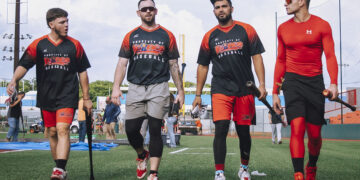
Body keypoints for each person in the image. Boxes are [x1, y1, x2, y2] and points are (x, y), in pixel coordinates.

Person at [6, 8, 92, 180]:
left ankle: (59, 169)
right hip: (46, 96)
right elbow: (24, 65)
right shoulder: (38, 45)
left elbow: (82, 72)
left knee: (63, 129)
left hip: (67, 95)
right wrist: (14, 79)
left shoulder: (75, 45)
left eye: (67, 21)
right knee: (52, 132)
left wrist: (86, 98)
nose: (67, 25)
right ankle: (60, 167)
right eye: (62, 22)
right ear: (51, 24)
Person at [192, 0, 267, 179]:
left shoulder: (247, 30)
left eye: (224, 6)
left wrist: (262, 84)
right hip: (220, 89)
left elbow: (257, 57)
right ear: (214, 12)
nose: (221, 10)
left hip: (245, 88)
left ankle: (244, 168)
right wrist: (197, 94)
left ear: (231, 9)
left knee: (243, 131)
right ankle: (219, 173)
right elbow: (203, 67)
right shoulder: (209, 36)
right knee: (221, 128)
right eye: (217, 7)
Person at [111, 0, 185, 179]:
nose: (148, 11)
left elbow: (173, 65)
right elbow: (122, 63)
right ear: (139, 13)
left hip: (159, 87)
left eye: (151, 8)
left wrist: (180, 90)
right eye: (144, 9)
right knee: (130, 129)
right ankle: (141, 154)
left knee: (155, 128)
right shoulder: (131, 36)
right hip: (135, 87)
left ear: (156, 11)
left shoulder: (167, 35)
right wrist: (115, 87)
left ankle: (153, 173)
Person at [272, 0, 339, 179]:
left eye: (289, 0)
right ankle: (298, 174)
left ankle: (312, 166)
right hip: (292, 82)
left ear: (301, 1)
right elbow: (280, 60)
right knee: (297, 126)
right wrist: (275, 92)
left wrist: (333, 83)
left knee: (315, 135)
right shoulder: (283, 29)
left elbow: (330, 56)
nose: (285, 4)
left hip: (315, 83)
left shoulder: (322, 25)